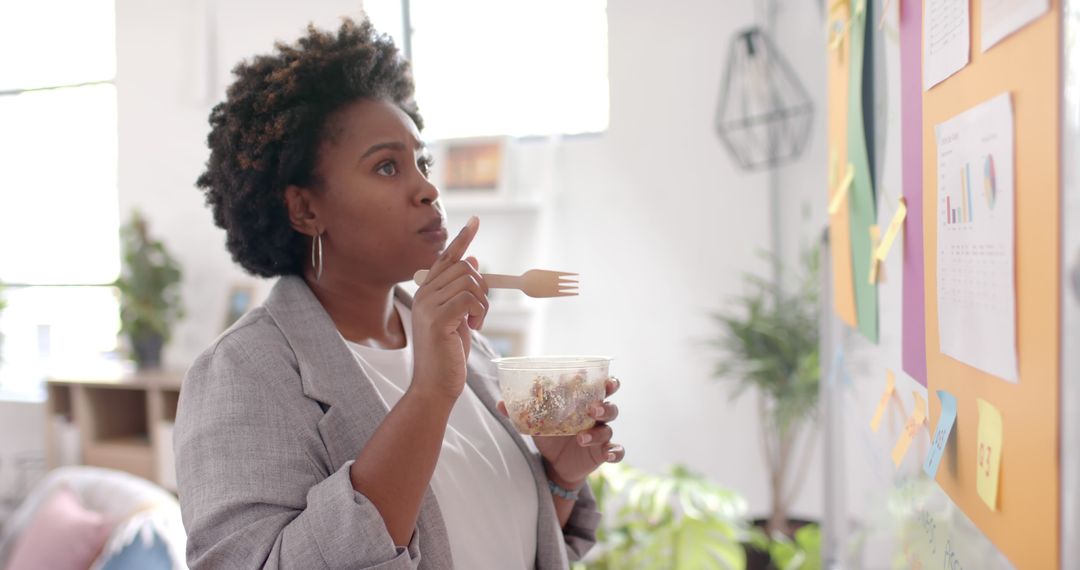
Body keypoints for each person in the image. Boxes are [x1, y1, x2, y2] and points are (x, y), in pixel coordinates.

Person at [174, 17, 625, 569]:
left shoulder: (465, 349)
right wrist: (430, 394)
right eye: (387, 166)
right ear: (305, 209)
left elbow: (492, 542)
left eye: (422, 161)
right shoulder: (243, 374)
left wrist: (558, 478)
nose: (428, 187)